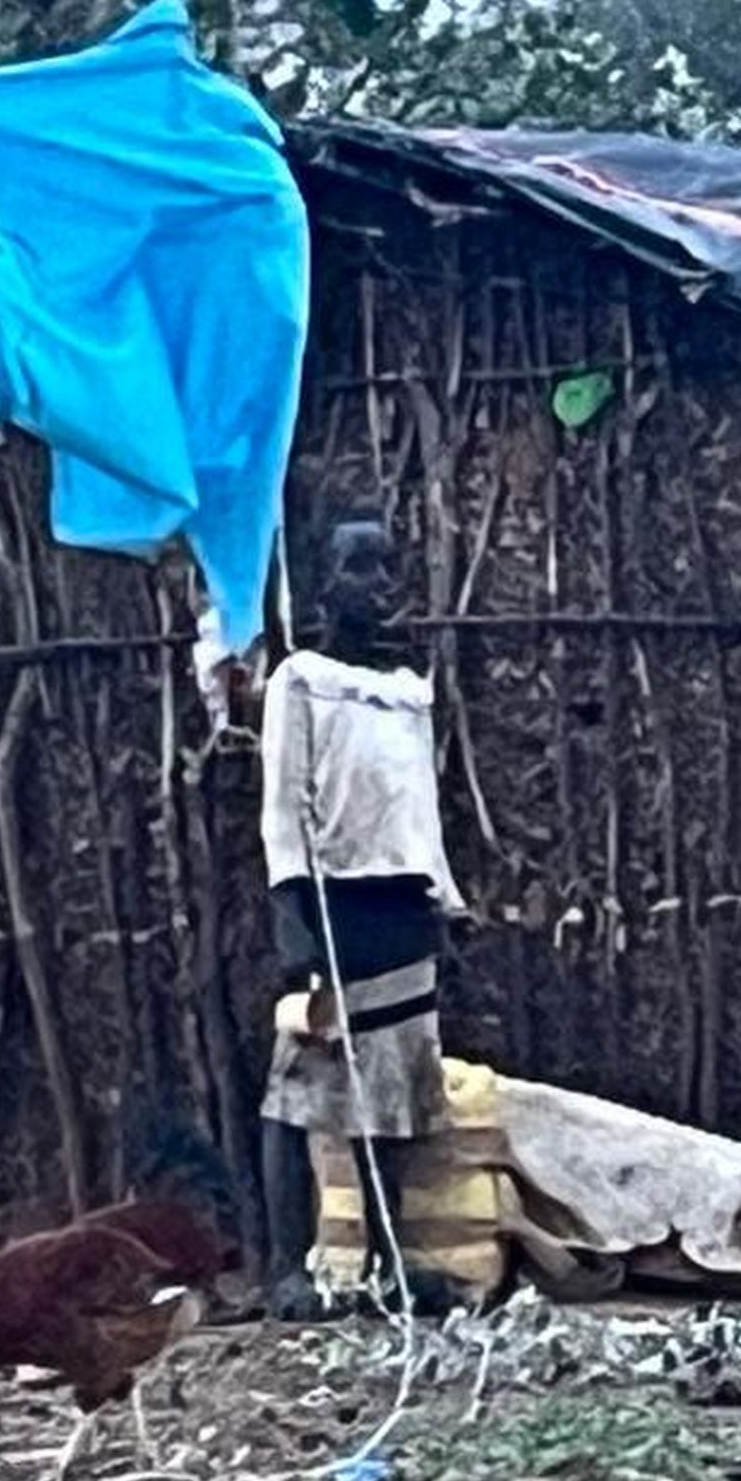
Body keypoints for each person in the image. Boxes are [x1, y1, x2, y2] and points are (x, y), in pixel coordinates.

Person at [255, 520, 460, 1315]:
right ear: (324, 582)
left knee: (393, 1090)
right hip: (334, 901)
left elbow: (419, 805)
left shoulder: (408, 689)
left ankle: (390, 1262)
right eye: (358, 566)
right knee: (300, 1087)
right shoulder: (299, 682)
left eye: (387, 566)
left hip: (401, 900)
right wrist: (292, 916)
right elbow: (283, 804)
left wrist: (443, 896)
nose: (378, 583)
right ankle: (284, 1266)